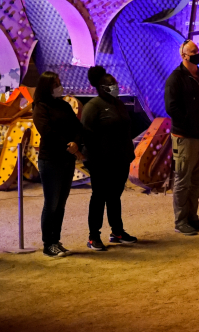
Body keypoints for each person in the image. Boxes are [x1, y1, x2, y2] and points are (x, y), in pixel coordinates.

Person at [79, 65, 139, 249]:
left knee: (115, 196)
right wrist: (92, 160)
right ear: (102, 87)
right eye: (112, 85)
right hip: (101, 162)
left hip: (121, 159)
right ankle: (93, 236)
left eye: (116, 84)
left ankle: (117, 231)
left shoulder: (118, 104)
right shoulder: (93, 107)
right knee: (99, 197)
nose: (116, 87)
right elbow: (85, 135)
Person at [30, 71, 87, 256]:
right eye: (55, 83)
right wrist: (67, 145)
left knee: (61, 203)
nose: (59, 86)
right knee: (51, 203)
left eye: (59, 82)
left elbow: (77, 127)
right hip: (51, 159)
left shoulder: (63, 105)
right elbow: (46, 131)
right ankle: (48, 244)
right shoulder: (40, 107)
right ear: (47, 86)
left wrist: (76, 143)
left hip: (67, 159)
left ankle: (56, 239)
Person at [163, 39, 199, 236]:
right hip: (185, 137)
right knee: (183, 180)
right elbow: (172, 108)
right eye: (193, 51)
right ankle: (180, 220)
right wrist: (189, 124)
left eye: (197, 50)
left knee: (198, 179)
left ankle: (192, 217)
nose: (197, 53)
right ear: (184, 56)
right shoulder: (176, 79)